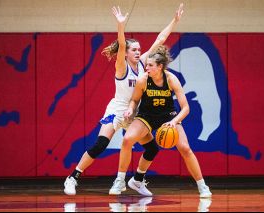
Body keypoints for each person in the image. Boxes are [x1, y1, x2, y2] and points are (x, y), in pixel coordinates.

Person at [64, 4, 184, 196]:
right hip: (118, 109)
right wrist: (120, 26)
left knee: (152, 148)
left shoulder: (145, 62)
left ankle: (137, 180)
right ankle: (73, 177)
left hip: (135, 111)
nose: (138, 52)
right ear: (126, 53)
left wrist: (174, 21)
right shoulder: (122, 67)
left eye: (139, 49)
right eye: (134, 50)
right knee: (101, 144)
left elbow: (160, 39)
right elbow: (121, 44)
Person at [110, 45, 212, 198]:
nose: (146, 68)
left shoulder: (171, 79)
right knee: (127, 140)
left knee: (185, 148)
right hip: (147, 115)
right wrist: (131, 109)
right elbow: (135, 100)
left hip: (168, 116)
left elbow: (185, 108)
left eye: (150, 65)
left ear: (160, 66)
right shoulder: (143, 79)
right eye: (147, 65)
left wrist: (174, 121)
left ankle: (202, 186)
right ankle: (120, 180)